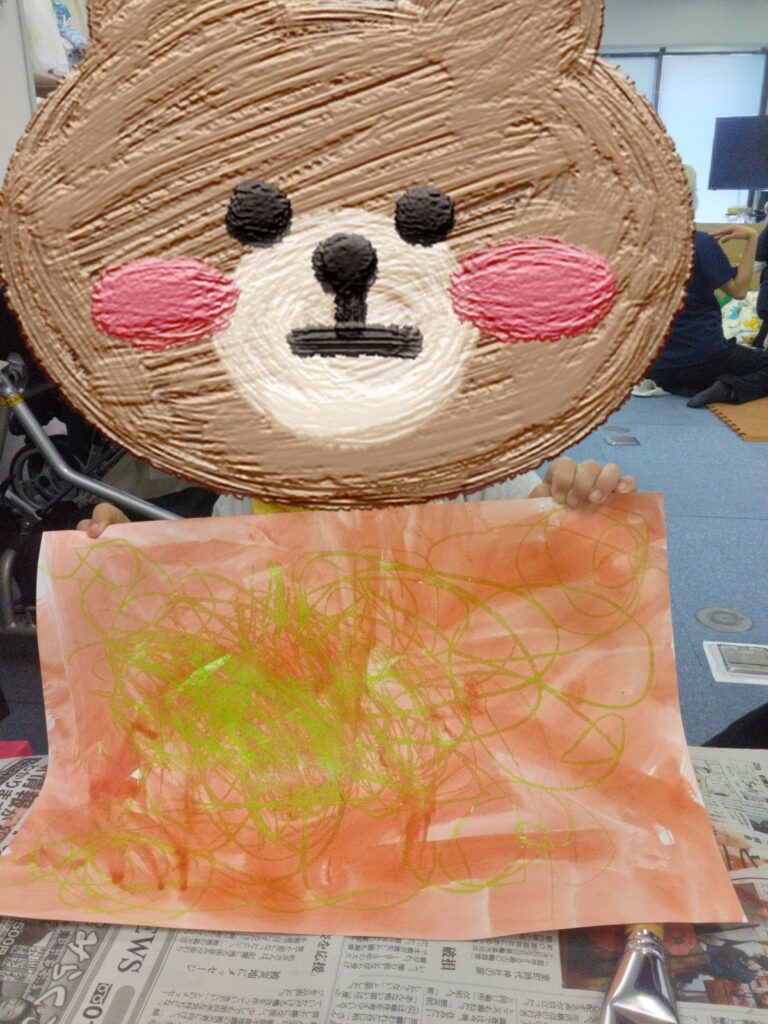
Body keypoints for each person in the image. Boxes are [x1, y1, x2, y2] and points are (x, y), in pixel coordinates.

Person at [77, 458, 638, 536]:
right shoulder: (253, 498)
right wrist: (134, 563)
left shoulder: (471, 474)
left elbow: (544, 516)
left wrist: (577, 500)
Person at [646, 167, 768, 408]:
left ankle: (683, 385)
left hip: (654, 363)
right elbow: (739, 291)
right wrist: (751, 237)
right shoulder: (699, 243)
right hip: (702, 354)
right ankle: (727, 389)